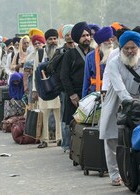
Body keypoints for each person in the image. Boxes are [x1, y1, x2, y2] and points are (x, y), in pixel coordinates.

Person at [99, 31, 140, 186]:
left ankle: (133, 172)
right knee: (111, 139)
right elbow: (119, 87)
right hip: (116, 102)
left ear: (138, 47)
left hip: (137, 104)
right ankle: (114, 174)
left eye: (133, 48)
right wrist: (131, 103)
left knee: (135, 139)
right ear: (121, 48)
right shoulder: (114, 63)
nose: (129, 51)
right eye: (126, 48)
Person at [60, 22, 93, 151]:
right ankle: (71, 147)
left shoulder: (94, 52)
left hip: (90, 93)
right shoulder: (70, 54)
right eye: (83, 35)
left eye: (88, 35)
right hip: (75, 94)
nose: (86, 38)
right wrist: (72, 94)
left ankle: (88, 147)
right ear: (78, 38)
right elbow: (64, 76)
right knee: (73, 121)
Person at [32, 29, 62, 148]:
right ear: (46, 40)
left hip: (58, 88)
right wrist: (35, 90)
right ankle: (44, 140)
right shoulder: (40, 53)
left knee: (59, 114)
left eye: (55, 38)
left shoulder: (60, 52)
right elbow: (35, 72)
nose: (53, 41)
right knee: (43, 113)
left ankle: (60, 138)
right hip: (44, 88)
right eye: (50, 39)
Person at [58, 23, 75, 152]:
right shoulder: (61, 51)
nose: (69, 37)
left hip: (78, 88)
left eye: (71, 34)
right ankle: (66, 144)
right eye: (67, 35)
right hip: (64, 90)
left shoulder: (80, 50)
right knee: (66, 116)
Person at [82, 26, 113, 98]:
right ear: (100, 43)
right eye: (107, 40)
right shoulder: (90, 57)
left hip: (112, 91)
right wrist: (83, 98)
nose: (110, 42)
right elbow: (86, 80)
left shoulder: (116, 55)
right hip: (95, 93)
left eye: (111, 39)